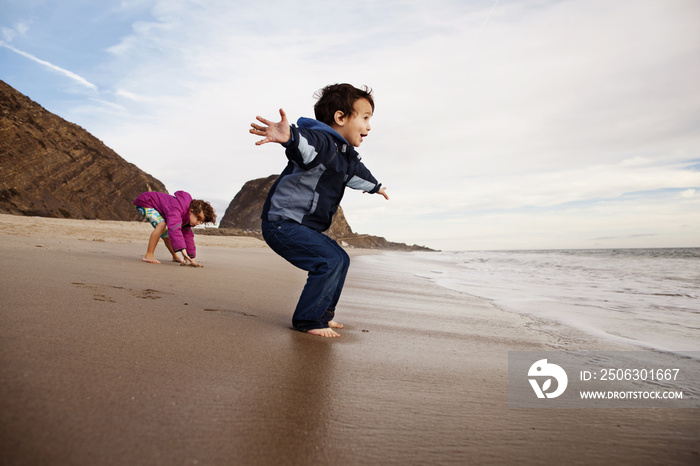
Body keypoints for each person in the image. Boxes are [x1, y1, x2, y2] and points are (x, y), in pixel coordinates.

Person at [250, 83, 389, 337]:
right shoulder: (323, 142)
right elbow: (304, 142)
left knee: (341, 259)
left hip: (300, 227)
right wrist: (289, 136)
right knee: (330, 260)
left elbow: (358, 174)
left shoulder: (346, 157)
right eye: (365, 118)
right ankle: (309, 320)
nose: (369, 126)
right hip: (282, 222)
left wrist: (375, 187)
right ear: (340, 117)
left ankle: (322, 314)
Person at [133, 190, 216, 267]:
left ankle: (175, 256)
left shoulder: (187, 219)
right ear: (191, 211)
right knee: (161, 224)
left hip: (155, 207)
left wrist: (192, 259)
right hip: (146, 201)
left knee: (166, 234)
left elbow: (188, 237)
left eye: (200, 221)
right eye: (198, 218)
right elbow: (174, 228)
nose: (197, 223)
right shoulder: (177, 208)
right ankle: (149, 255)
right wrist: (182, 249)